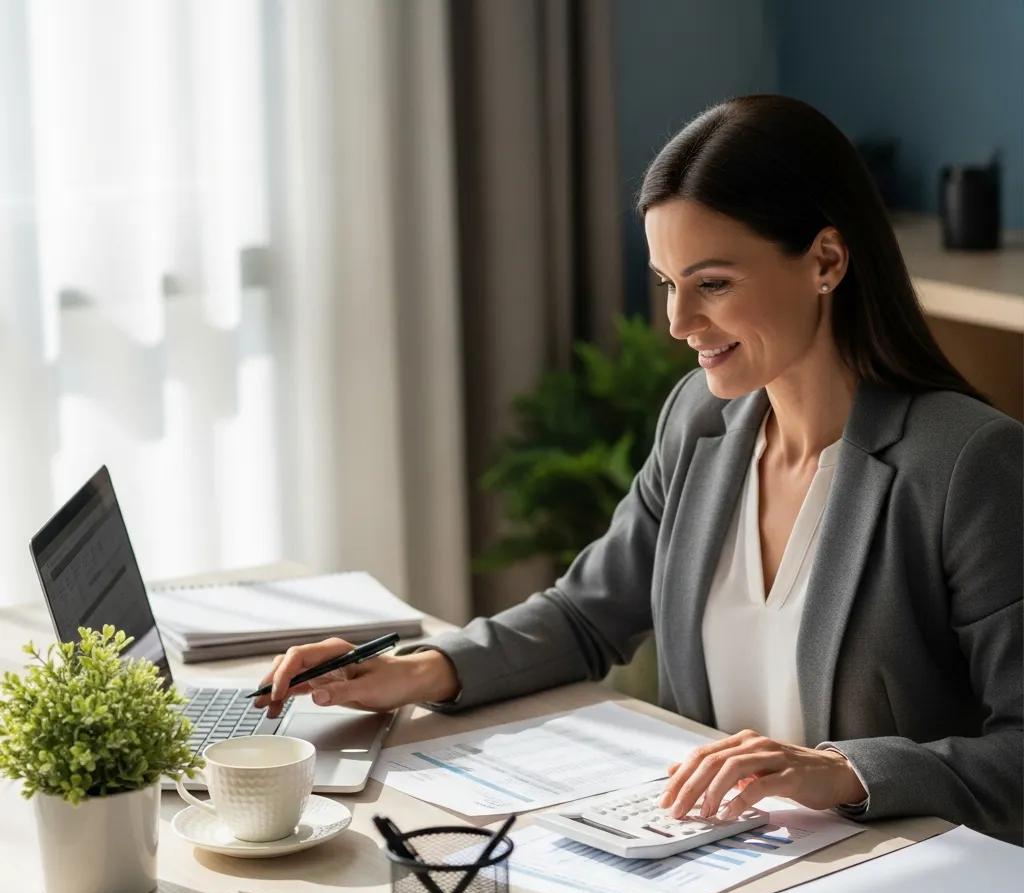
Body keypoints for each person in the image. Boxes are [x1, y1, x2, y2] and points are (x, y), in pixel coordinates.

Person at [255, 94, 1023, 844]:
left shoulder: (966, 466)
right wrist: (417, 669)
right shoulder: (701, 420)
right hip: (716, 865)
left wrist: (844, 772)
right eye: (667, 284)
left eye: (712, 284)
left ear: (825, 260)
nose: (679, 324)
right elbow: (588, 615)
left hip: (896, 887)